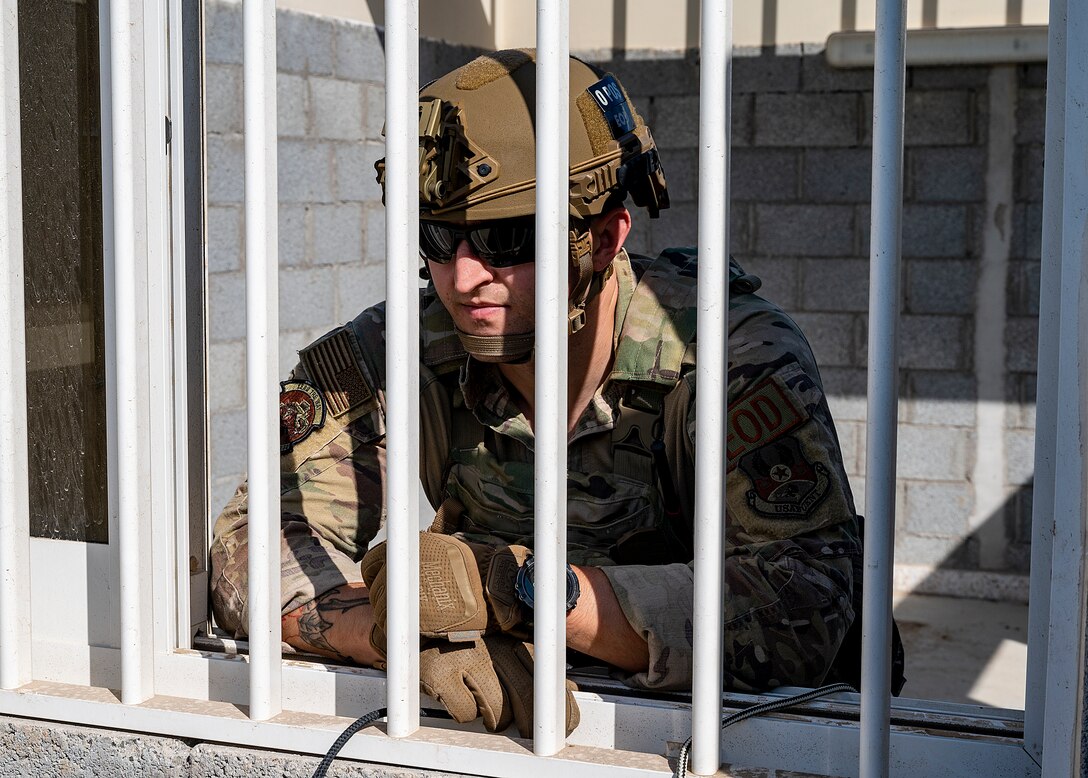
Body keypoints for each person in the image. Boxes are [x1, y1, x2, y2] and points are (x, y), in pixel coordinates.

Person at [210, 49, 870, 736]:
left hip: (728, 733)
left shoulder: (727, 353)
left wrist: (523, 595)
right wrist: (404, 634)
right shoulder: (397, 349)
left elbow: (809, 600)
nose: (463, 279)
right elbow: (248, 542)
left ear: (606, 237)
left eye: (506, 239)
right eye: (438, 237)